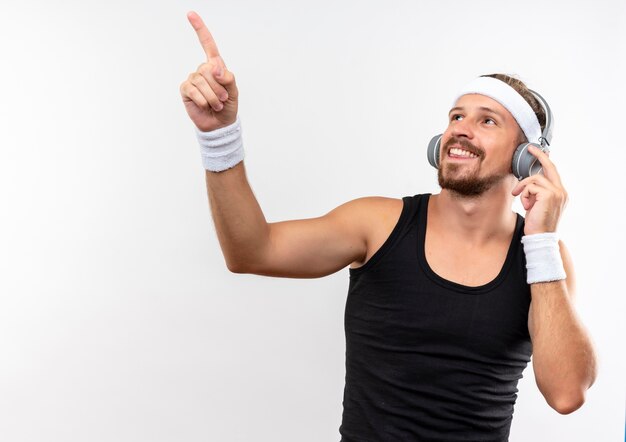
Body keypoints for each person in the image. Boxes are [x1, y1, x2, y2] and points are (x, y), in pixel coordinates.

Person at [179, 11, 598, 441]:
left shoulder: (544, 258)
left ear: (525, 157)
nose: (461, 131)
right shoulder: (377, 224)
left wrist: (542, 240)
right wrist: (219, 136)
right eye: (456, 117)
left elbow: (567, 393)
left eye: (487, 120)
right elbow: (251, 251)